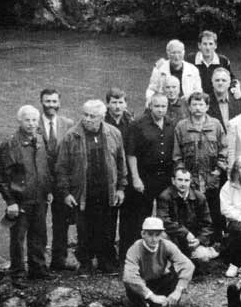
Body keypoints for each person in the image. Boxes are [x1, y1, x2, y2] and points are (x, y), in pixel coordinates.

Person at [56, 100, 127, 274]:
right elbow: (61, 167)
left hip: (107, 191)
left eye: (92, 116)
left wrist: (121, 188)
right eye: (85, 115)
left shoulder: (114, 133)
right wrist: (65, 193)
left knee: (108, 227)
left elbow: (121, 163)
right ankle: (85, 262)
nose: (87, 119)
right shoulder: (71, 136)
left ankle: (106, 261)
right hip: (83, 192)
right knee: (84, 228)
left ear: (102, 117)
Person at [0, 105, 54, 282]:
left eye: (34, 120)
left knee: (39, 235)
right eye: (27, 120)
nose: (31, 124)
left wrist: (49, 190)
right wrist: (10, 201)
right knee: (18, 238)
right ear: (20, 121)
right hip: (20, 200)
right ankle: (17, 273)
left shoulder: (41, 139)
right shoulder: (10, 144)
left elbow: (46, 168)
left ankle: (38, 269)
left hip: (40, 198)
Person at [124, 93, 176, 263]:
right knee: (139, 217)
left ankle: (162, 255)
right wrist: (135, 178)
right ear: (150, 106)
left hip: (164, 178)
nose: (160, 110)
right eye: (157, 106)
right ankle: (133, 256)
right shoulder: (138, 124)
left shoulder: (171, 124)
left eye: (163, 106)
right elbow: (131, 153)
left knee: (164, 216)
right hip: (144, 178)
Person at [122, 216, 195, 307]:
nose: (154, 239)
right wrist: (152, 296)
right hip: (142, 286)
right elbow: (129, 277)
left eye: (157, 235)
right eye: (150, 234)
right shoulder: (135, 249)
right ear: (143, 234)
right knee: (131, 288)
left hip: (159, 281)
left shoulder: (166, 245)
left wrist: (178, 290)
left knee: (173, 277)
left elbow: (187, 265)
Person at [173, 92, 228, 242]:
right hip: (191, 179)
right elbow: (177, 155)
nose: (198, 108)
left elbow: (224, 149)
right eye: (194, 104)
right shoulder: (181, 127)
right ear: (189, 107)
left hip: (212, 178)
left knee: (214, 211)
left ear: (207, 107)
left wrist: (218, 170)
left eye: (201, 104)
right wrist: (184, 176)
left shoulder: (216, 125)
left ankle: (216, 243)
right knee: (193, 213)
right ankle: (194, 242)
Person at [38, 89, 75, 271]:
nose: (51, 105)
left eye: (54, 101)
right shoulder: (33, 123)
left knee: (61, 221)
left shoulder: (67, 124)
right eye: (47, 101)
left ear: (59, 103)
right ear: (41, 102)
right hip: (40, 180)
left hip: (61, 180)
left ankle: (59, 260)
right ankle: (38, 262)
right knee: (38, 222)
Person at [156, 168, 217, 263]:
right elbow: (163, 221)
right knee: (161, 236)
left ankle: (190, 260)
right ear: (173, 180)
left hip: (192, 241)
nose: (183, 184)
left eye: (186, 180)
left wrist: (199, 240)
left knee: (203, 257)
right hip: (173, 239)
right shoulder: (165, 196)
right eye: (180, 180)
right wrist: (185, 233)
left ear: (190, 181)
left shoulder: (199, 197)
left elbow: (207, 224)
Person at [104, 87, 136, 265]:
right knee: (108, 218)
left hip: (128, 175)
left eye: (120, 102)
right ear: (108, 104)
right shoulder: (102, 121)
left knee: (129, 218)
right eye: (114, 102)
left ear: (126, 104)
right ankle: (108, 256)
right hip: (109, 176)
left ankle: (126, 255)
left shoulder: (131, 122)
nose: (117, 106)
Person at [145, 39, 202, 106]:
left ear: (184, 53)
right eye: (173, 53)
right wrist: (151, 100)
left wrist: (189, 98)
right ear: (168, 53)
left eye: (179, 52)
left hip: (187, 105)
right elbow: (151, 89)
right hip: (164, 105)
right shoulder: (159, 69)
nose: (176, 56)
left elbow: (198, 90)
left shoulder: (193, 70)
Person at [187, 30, 238, 96]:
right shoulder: (190, 60)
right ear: (199, 45)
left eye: (210, 44)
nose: (208, 48)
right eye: (205, 44)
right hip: (197, 98)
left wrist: (235, 88)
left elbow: (232, 79)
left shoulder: (223, 61)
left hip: (217, 97)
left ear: (215, 45)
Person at [206, 67, 241, 132]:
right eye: (217, 80)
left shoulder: (238, 102)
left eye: (224, 80)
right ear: (212, 82)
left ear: (229, 83)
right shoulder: (205, 102)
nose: (220, 83)